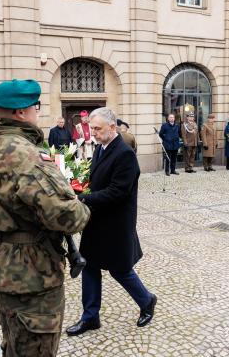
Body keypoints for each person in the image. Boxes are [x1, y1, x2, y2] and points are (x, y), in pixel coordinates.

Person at [0, 79, 90, 356]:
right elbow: (69, 218)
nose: (38, 112)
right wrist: (80, 204)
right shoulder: (25, 155)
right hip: (31, 271)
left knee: (14, 342)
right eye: (36, 107)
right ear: (21, 112)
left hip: (6, 261)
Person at [66, 107, 156, 337]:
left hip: (116, 224)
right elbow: (98, 183)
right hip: (97, 220)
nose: (93, 132)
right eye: (92, 128)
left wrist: (81, 198)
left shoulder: (124, 154)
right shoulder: (100, 148)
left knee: (120, 270)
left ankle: (147, 301)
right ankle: (90, 317)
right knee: (90, 267)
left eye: (97, 128)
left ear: (112, 127)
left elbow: (118, 192)